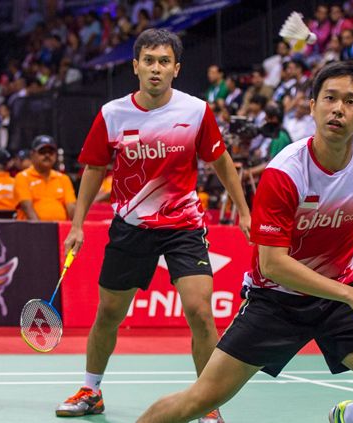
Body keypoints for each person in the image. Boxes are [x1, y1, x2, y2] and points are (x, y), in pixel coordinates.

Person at [137, 60, 353, 423]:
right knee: (201, 399)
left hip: (340, 291)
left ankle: (347, 418)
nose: (337, 108)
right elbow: (273, 264)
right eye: (329, 98)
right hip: (278, 300)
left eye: (350, 102)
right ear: (312, 106)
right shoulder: (285, 174)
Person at [58, 29, 251, 423]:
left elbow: (222, 162)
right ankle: (91, 390)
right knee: (109, 313)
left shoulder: (195, 111)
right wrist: (76, 224)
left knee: (200, 311)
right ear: (136, 66)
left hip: (184, 225)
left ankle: (206, 403)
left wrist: (244, 211)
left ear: (176, 69)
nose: (156, 68)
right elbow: (94, 169)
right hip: (130, 226)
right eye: (149, 60)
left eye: (164, 61)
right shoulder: (113, 114)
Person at [14, 135, 76, 221]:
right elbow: (27, 207)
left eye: (51, 152)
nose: (47, 155)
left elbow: (71, 206)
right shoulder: (22, 177)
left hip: (60, 229)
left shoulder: (63, 178)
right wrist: (41, 228)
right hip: (31, 229)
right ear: (32, 155)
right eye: (42, 152)